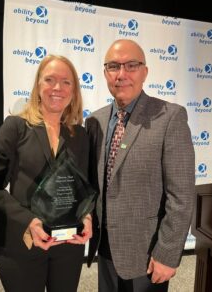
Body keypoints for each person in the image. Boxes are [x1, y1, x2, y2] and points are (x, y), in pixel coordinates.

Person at [85, 39, 195, 292]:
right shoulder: (95, 121)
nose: (121, 74)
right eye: (113, 66)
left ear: (145, 72)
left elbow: (181, 196)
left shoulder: (170, 117)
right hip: (106, 248)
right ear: (105, 74)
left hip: (147, 254)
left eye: (131, 65)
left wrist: (167, 254)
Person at [0, 54, 94, 292]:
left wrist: (86, 215)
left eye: (66, 82)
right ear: (38, 85)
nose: (58, 87)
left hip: (68, 246)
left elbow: (83, 187)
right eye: (50, 80)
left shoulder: (80, 135)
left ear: (74, 90)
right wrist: (28, 221)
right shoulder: (15, 126)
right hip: (23, 244)